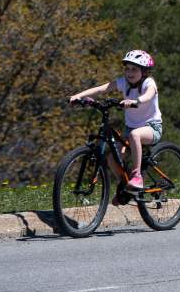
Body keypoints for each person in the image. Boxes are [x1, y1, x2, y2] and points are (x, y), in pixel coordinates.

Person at [69, 49, 162, 191]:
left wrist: (136, 101)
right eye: (127, 69)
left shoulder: (149, 83)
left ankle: (137, 176)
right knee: (112, 159)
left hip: (152, 127)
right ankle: (124, 186)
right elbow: (102, 89)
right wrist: (78, 96)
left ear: (144, 71)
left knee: (135, 134)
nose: (129, 72)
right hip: (130, 129)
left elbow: (148, 95)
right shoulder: (124, 82)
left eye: (134, 69)